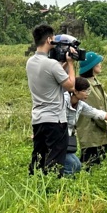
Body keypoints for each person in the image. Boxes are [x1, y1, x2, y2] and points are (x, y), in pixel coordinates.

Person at [27, 24, 76, 176]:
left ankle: (35, 181)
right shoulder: (52, 64)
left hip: (38, 118)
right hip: (55, 120)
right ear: (49, 40)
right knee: (55, 159)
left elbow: (50, 75)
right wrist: (70, 64)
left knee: (39, 156)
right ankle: (51, 188)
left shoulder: (30, 62)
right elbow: (71, 86)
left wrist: (61, 64)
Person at [63, 77, 107, 176]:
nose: (88, 94)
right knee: (70, 165)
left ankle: (67, 185)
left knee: (77, 165)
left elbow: (99, 113)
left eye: (89, 90)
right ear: (75, 91)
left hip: (65, 139)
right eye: (85, 91)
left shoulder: (81, 105)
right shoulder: (62, 101)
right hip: (53, 137)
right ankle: (60, 185)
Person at [75, 51, 107, 168]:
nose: (100, 65)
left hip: (99, 131)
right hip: (90, 132)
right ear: (91, 67)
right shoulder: (86, 85)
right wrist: (106, 122)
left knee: (98, 163)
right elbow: (94, 110)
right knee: (90, 164)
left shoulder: (95, 82)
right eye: (98, 63)